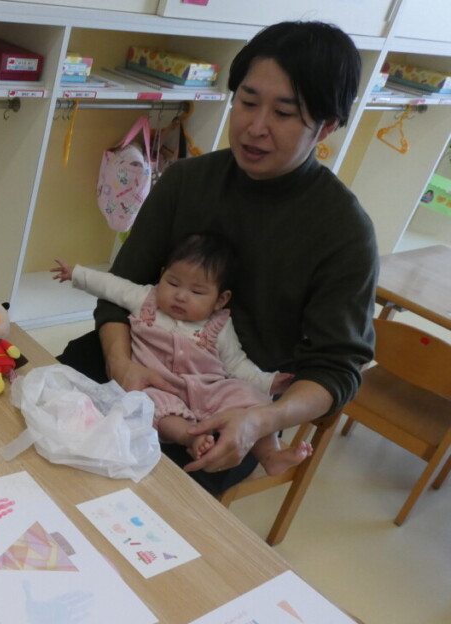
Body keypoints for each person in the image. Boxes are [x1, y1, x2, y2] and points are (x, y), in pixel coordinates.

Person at [57, 21, 378, 493]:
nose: (255, 127)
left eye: (283, 113)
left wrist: (261, 421)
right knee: (31, 423)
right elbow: (120, 291)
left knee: (139, 505)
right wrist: (121, 366)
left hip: (226, 407)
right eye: (247, 102)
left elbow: (337, 371)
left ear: (326, 126)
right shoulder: (187, 181)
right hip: (137, 356)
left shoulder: (343, 232)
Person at [52, 233, 311, 476]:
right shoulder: (146, 299)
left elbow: (237, 365)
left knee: (249, 397)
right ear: (162, 275)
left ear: (220, 300)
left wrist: (268, 382)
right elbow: (113, 286)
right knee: (150, 405)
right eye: (173, 283)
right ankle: (191, 437)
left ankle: (270, 455)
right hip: (158, 384)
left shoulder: (219, 326)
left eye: (196, 292)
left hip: (210, 388)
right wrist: (77, 274)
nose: (180, 296)